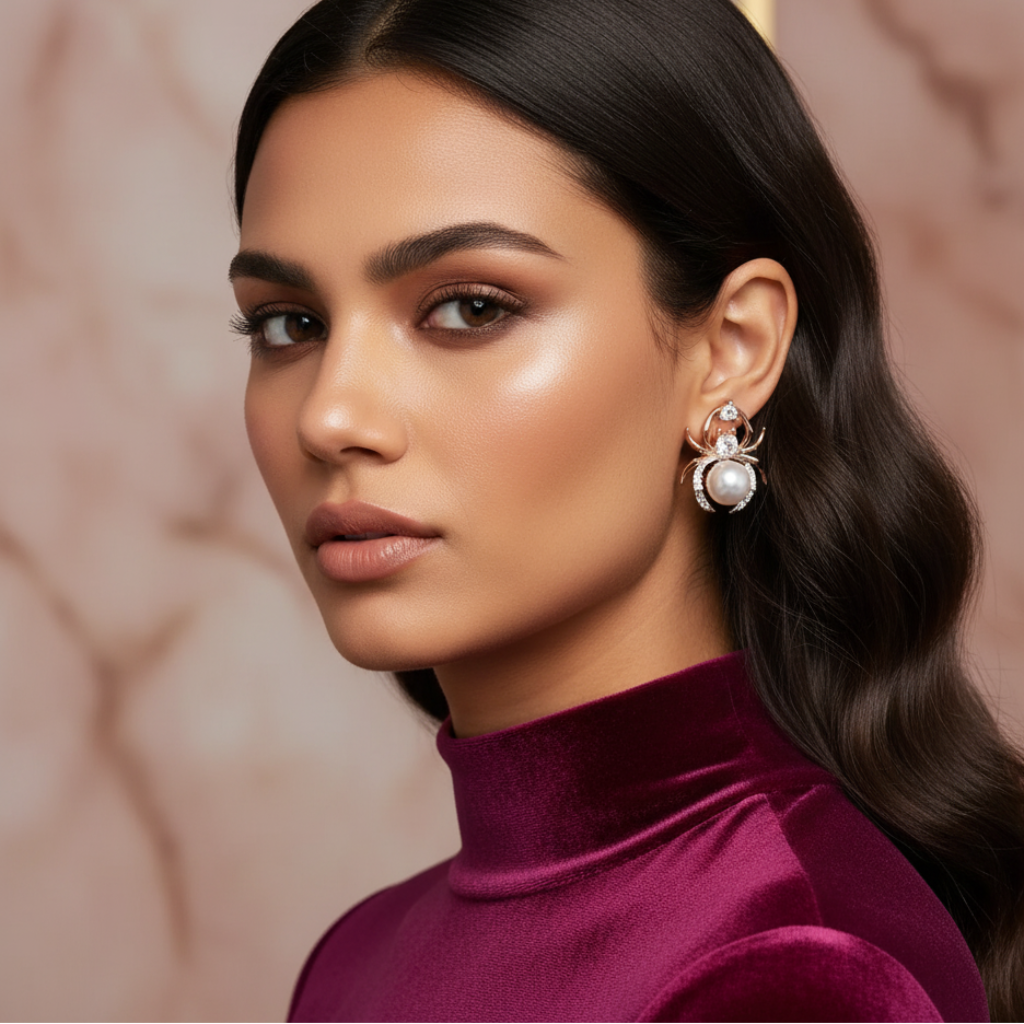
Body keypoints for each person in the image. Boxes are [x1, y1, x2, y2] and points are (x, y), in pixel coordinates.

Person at [228, 1, 1024, 1020]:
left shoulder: (794, 962)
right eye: (287, 323)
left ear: (730, 350)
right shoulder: (358, 955)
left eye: (470, 307)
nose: (332, 415)